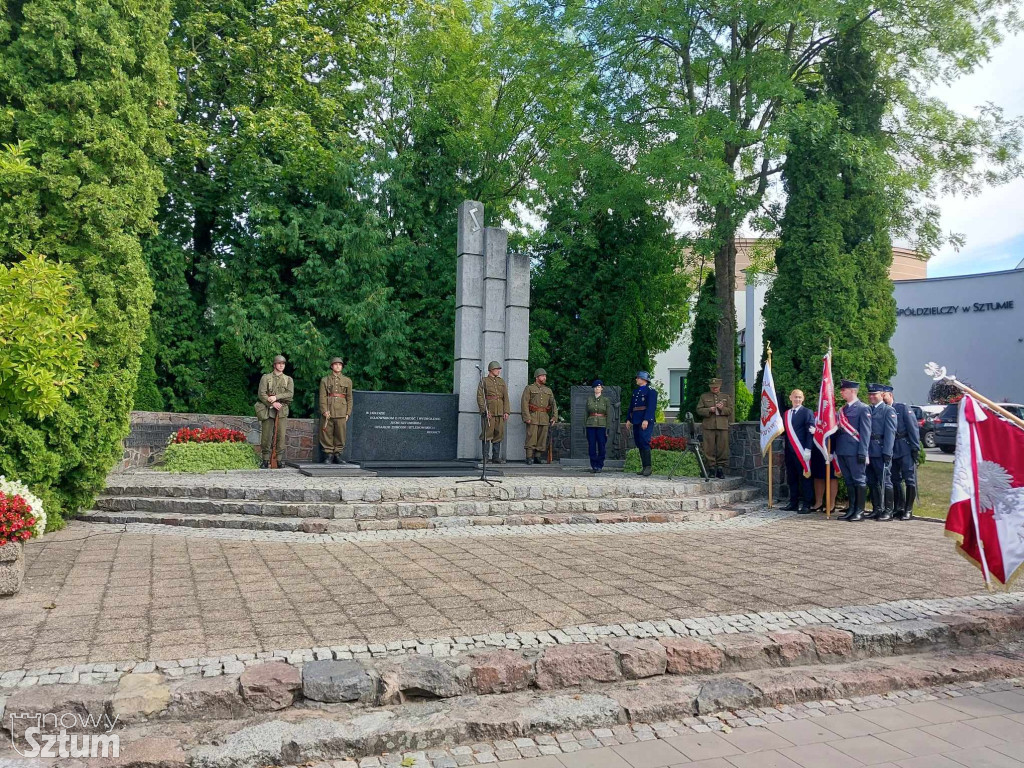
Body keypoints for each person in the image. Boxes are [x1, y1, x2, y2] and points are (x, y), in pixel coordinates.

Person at [835, 379, 871, 521]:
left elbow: (866, 432)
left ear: (852, 391)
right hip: (843, 450)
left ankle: (860, 511)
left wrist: (863, 452)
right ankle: (852, 509)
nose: (841, 392)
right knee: (849, 481)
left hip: (855, 451)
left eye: (844, 390)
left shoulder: (863, 408)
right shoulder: (843, 410)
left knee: (859, 480)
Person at [883, 385, 920, 521]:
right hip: (891, 449)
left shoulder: (902, 408)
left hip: (904, 447)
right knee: (894, 479)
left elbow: (913, 428)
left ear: (890, 395)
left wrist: (915, 448)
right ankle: (899, 507)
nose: (882, 398)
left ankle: (908, 510)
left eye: (884, 395)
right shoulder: (883, 410)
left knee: (909, 478)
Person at [865, 383, 897, 521]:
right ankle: (877, 508)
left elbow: (890, 433)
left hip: (880, 449)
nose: (872, 396)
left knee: (885, 480)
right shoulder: (868, 410)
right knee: (872, 481)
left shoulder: (887, 411)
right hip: (869, 451)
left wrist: (887, 452)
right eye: (870, 394)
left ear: (882, 395)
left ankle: (888, 510)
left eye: (875, 394)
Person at [255, 355, 294, 469]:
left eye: (283, 363)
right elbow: (261, 394)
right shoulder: (266, 378)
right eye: (279, 363)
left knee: (281, 436)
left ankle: (279, 460)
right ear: (274, 365)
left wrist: (276, 397)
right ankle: (265, 459)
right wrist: (272, 403)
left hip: (282, 410)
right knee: (266, 436)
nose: (281, 365)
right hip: (268, 409)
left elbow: (290, 394)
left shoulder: (288, 379)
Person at [783, 389, 815, 513]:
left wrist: (808, 449)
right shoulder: (786, 414)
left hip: (802, 451)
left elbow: (810, 432)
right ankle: (793, 503)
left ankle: (807, 504)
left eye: (800, 397)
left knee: (805, 478)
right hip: (789, 451)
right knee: (792, 478)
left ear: (803, 398)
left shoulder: (807, 412)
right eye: (795, 397)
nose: (797, 399)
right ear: (790, 397)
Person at [697, 377, 733, 479]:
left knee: (722, 448)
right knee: (709, 448)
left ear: (720, 386)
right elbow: (699, 410)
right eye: (712, 387)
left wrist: (722, 409)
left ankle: (720, 469)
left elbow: (730, 410)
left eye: (716, 387)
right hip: (709, 426)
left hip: (722, 426)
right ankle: (711, 469)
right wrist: (709, 410)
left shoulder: (725, 397)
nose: (714, 389)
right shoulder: (704, 397)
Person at [319, 357, 353, 464]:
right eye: (335, 364)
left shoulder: (347, 380)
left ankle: (338, 455)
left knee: (340, 434)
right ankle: (329, 454)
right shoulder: (325, 380)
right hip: (329, 410)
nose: (338, 366)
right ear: (332, 366)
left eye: (340, 364)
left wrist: (348, 412)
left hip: (342, 411)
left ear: (342, 367)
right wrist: (324, 410)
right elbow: (322, 397)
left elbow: (349, 398)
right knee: (327, 433)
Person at [477, 361, 510, 463]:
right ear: (491, 370)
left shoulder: (501, 381)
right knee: (487, 434)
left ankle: (496, 457)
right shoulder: (484, 381)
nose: (499, 371)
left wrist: (506, 411)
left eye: (499, 369)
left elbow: (505, 397)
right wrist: (484, 410)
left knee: (498, 434)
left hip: (499, 412)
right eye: (497, 369)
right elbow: (480, 397)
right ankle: (485, 457)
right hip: (489, 411)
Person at [521, 368, 558, 464]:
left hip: (544, 417)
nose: (544, 378)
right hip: (533, 416)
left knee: (542, 438)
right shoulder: (529, 388)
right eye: (542, 376)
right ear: (537, 377)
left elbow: (553, 404)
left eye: (545, 376)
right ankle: (529, 457)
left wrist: (554, 416)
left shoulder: (548, 390)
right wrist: (527, 417)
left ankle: (538, 456)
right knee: (531, 437)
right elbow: (524, 403)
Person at [627, 371, 657, 476]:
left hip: (645, 420)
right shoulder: (636, 392)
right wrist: (628, 419)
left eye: (638, 378)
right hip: (636, 419)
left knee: (644, 441)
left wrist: (646, 419)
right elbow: (632, 406)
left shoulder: (651, 391)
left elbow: (651, 407)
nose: (636, 379)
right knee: (639, 441)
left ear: (643, 379)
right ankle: (644, 467)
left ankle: (648, 466)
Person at [585, 380, 613, 473]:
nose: (597, 388)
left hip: (602, 425)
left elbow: (609, 415)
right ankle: (594, 465)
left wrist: (608, 428)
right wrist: (584, 426)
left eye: (599, 387)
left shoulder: (606, 400)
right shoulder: (589, 399)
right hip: (590, 425)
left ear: (602, 388)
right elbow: (586, 414)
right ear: (593, 388)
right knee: (591, 446)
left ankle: (600, 465)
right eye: (596, 387)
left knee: (601, 445)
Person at [810, 432, 839, 515]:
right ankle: (818, 503)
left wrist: (832, 450)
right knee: (818, 474)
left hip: (831, 443)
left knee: (832, 476)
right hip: (818, 444)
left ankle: (831, 504)